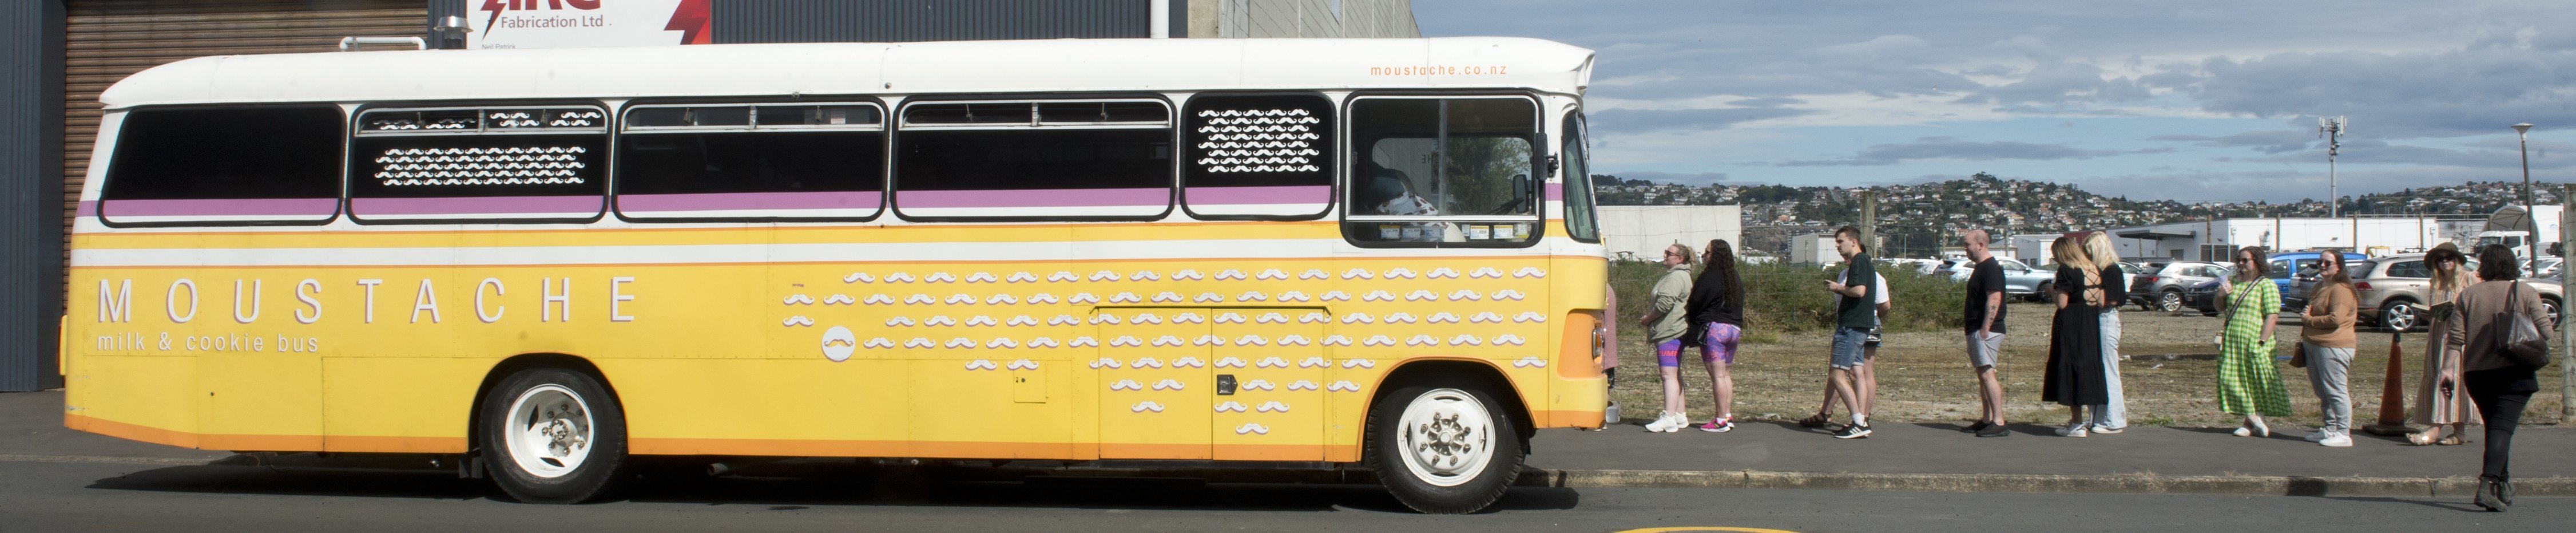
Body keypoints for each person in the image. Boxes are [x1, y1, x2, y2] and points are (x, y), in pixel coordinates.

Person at [2446, 244, 2555, 512]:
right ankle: (2487, 484)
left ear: (2484, 266)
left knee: (2495, 428)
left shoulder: (2468, 295)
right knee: (2502, 429)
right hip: (2514, 372)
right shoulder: (2524, 292)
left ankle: (2503, 484)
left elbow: (2456, 339)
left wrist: (2447, 370)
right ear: (2511, 264)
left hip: (2477, 375)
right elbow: (2547, 332)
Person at [2214, 246, 2291, 437]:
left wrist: (2262, 341)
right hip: (2233, 341)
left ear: (2257, 262)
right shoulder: (2232, 282)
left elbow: (2272, 316)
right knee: (2230, 379)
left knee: (2255, 382)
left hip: (2255, 340)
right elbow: (2219, 308)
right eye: (2239, 260)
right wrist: (2220, 295)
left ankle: (2251, 423)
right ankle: (2255, 419)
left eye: (2245, 260)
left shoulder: (2266, 285)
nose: (2241, 264)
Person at [1801, 263, 1888, 428]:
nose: (1847, 260)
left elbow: (1885, 305)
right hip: (1847, 323)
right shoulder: (1844, 274)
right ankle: (1826, 413)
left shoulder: (1875, 277)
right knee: (1838, 370)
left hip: (1867, 323)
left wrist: (1873, 317)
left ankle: (1863, 417)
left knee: (1863, 371)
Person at [2409, 242, 2479, 445]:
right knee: (2442, 378)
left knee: (2450, 379)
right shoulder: (2436, 282)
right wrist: (2428, 313)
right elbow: (2434, 309)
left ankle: (2435, 429)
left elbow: (2478, 307)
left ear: (2457, 260)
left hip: (2458, 337)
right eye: (2440, 259)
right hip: (2438, 336)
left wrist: (2457, 311)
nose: (2445, 262)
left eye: (2449, 257)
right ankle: (2459, 433)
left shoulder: (2469, 278)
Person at [2041, 235, 2109, 437]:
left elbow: (2062, 303)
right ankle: (2087, 420)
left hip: (2071, 325)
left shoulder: (2066, 270)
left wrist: (2051, 291)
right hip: (2090, 324)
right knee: (2088, 367)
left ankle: (2076, 422)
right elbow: (2101, 301)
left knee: (2071, 367)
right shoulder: (2094, 269)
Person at [1683, 239, 1747, 432]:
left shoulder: (1709, 277)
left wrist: (1693, 319)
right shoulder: (1734, 277)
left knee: (1717, 376)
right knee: (1725, 374)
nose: (1704, 257)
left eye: (1707, 253)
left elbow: (1695, 302)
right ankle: (1727, 415)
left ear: (1715, 255)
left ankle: (1720, 420)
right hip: (1734, 330)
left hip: (1715, 331)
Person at [2298, 249, 2360, 447]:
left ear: (2339, 267)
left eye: (2328, 263)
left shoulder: (2342, 289)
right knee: (2322, 391)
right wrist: (2308, 316)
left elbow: (2336, 319)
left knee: (2336, 390)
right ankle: (2330, 428)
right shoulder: (2320, 286)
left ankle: (2343, 433)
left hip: (2334, 346)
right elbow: (2312, 309)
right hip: (2314, 344)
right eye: (2320, 262)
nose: (2323, 266)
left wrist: (2309, 320)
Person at [1822, 226, 1876, 439]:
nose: (1837, 246)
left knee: (1837, 375)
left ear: (1854, 242)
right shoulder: (1864, 262)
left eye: (1840, 241)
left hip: (1851, 327)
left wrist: (1838, 288)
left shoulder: (1859, 261)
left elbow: (1859, 291)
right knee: (1856, 373)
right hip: (1859, 326)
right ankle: (1860, 420)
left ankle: (1859, 422)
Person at [1638, 243, 1698, 433]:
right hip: (1674, 331)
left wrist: (1648, 319)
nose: (1665, 255)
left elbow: (1664, 304)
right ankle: (1679, 414)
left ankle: (1668, 417)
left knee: (1668, 375)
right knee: (1674, 374)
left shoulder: (1676, 277)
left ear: (1680, 259)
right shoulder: (1679, 275)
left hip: (1669, 331)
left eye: (1669, 253)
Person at [1958, 229, 2011, 437]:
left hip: (1986, 330)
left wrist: (1986, 328)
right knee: (1982, 374)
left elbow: (1995, 298)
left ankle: (1999, 421)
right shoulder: (1980, 268)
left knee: (1988, 374)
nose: (1965, 248)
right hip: (1975, 328)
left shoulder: (1991, 268)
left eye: (1968, 244)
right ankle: (1987, 419)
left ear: (1980, 245)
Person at [2081, 232, 2129, 434]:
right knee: (2096, 371)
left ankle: (2114, 420)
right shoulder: (2099, 271)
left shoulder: (2112, 270)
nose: (2087, 256)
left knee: (2109, 370)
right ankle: (2097, 418)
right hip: (2096, 320)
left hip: (2106, 319)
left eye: (2089, 252)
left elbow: (2113, 299)